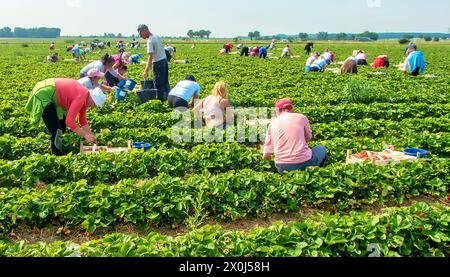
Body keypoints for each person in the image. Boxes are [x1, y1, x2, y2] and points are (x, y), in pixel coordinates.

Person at [25, 78, 106, 155]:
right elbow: (69, 121)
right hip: (44, 92)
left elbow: (82, 120)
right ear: (93, 98)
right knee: (57, 130)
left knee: (62, 126)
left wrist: (90, 137)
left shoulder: (85, 97)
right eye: (95, 104)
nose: (93, 107)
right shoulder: (81, 97)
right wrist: (85, 135)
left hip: (52, 92)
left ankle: (57, 147)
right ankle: (56, 155)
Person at [263, 98, 327, 173]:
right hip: (303, 164)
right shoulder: (302, 117)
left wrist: (264, 163)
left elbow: (267, 151)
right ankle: (315, 172)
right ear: (291, 108)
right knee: (321, 148)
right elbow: (308, 137)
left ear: (277, 110)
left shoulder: (272, 123)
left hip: (281, 167)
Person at [138, 24, 170, 101]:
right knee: (165, 82)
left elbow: (150, 56)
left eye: (140, 33)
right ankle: (168, 99)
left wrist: (146, 71)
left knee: (158, 84)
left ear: (145, 30)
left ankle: (160, 101)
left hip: (158, 63)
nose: (140, 36)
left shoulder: (150, 41)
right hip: (164, 62)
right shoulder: (157, 36)